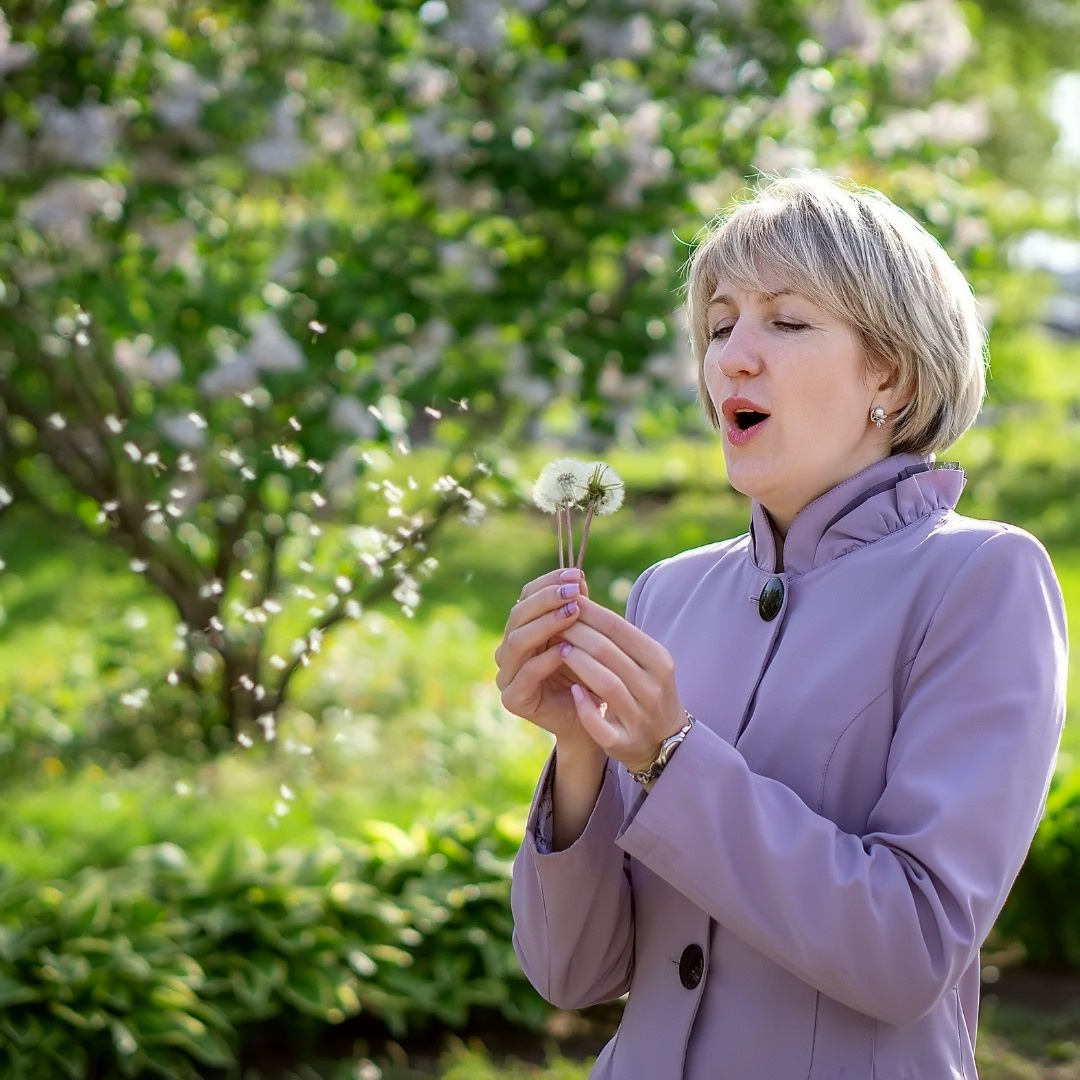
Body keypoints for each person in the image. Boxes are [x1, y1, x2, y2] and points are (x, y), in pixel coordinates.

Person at [494, 174, 1068, 1078]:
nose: (732, 358)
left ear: (892, 373)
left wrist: (669, 757)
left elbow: (911, 950)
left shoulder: (982, 578)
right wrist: (578, 753)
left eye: (787, 321)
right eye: (720, 325)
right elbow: (574, 974)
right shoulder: (668, 593)